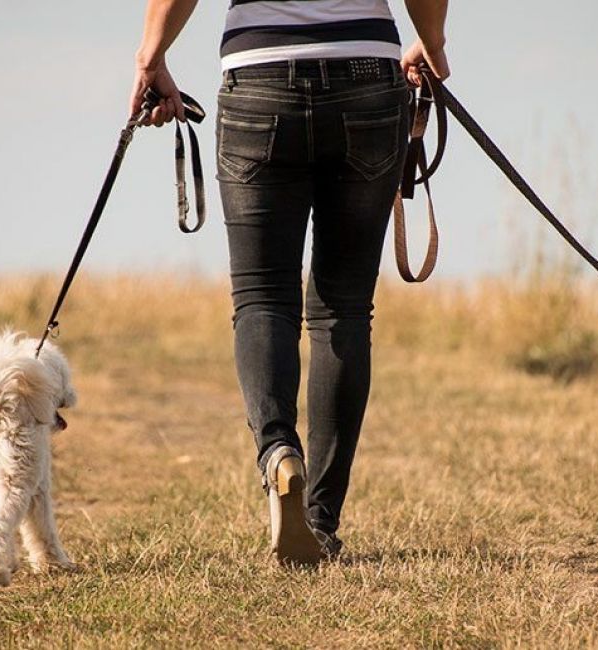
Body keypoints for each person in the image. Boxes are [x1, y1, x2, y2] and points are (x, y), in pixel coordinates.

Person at [131, 0, 450, 564]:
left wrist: (151, 56)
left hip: (260, 76)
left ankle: (279, 451)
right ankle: (320, 520)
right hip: (368, 77)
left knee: (262, 297)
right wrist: (433, 41)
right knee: (343, 307)